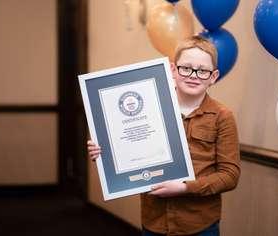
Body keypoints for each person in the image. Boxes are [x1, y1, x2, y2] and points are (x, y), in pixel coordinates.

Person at [87, 35, 240, 236]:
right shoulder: (149, 108)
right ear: (173, 70)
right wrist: (105, 150)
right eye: (186, 68)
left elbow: (230, 175)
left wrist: (186, 188)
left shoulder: (223, 116)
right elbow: (128, 147)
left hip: (200, 225)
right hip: (154, 223)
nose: (194, 75)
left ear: (213, 77)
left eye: (203, 71)